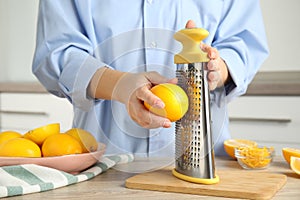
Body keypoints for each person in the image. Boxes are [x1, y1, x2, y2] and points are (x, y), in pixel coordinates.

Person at [32, 1, 269, 157]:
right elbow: (57, 53)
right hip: (103, 161)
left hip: (204, 160)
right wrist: (118, 85)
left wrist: (218, 68)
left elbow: (243, 43)